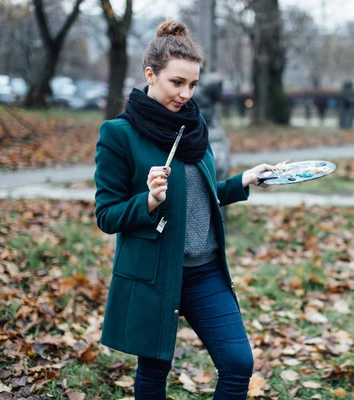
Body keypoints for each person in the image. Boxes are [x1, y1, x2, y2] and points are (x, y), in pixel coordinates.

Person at [94, 20, 274, 400]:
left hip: (204, 271)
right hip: (156, 271)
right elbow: (106, 215)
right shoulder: (119, 135)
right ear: (150, 74)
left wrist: (243, 181)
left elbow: (201, 195)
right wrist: (147, 201)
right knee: (155, 370)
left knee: (239, 364)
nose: (186, 94)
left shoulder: (194, 127)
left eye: (192, 84)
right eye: (177, 82)